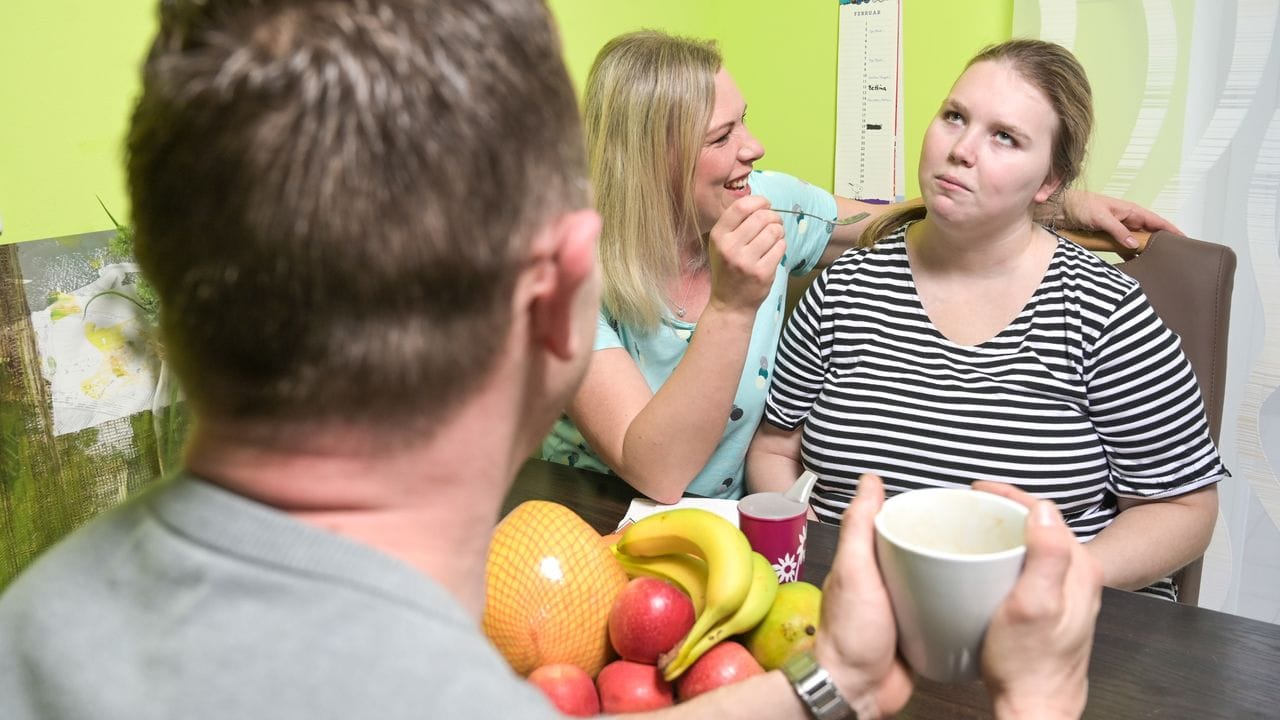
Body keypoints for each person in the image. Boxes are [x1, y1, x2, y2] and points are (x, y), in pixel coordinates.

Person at [0, 3, 1101, 718]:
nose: (749, 156)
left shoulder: (32, 623)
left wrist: (833, 684)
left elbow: (875, 212)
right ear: (564, 292)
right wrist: (1041, 698)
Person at [541, 30, 1179, 503]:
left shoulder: (770, 205)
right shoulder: (571, 275)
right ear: (649, 160)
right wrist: (733, 306)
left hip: (733, 533)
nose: (753, 147)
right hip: (594, 516)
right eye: (720, 137)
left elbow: (893, 218)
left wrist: (1060, 200)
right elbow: (655, 473)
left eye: (746, 122)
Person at [748, 39, 1224, 601]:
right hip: (856, 614)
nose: (962, 149)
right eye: (954, 117)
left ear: (1049, 182)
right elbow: (775, 448)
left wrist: (1069, 578)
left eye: (1006, 137)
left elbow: (1185, 508)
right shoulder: (846, 286)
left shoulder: (1103, 313)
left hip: (1042, 628)